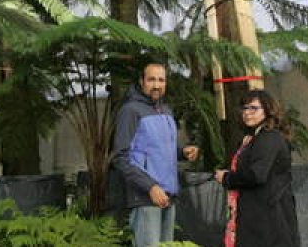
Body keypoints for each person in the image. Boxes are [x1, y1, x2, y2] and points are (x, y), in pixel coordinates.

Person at [113, 62, 200, 247]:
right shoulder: (130, 111)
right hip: (145, 197)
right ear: (141, 81)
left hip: (168, 194)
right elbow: (120, 158)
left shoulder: (166, 110)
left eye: (161, 80)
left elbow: (158, 150)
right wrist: (150, 187)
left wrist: (183, 153)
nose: (156, 85)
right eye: (151, 79)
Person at [214, 89, 298, 247]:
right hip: (258, 215)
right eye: (245, 108)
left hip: (268, 219)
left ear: (268, 110)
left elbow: (256, 175)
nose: (247, 113)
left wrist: (226, 178)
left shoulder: (269, 137)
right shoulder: (255, 138)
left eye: (254, 108)